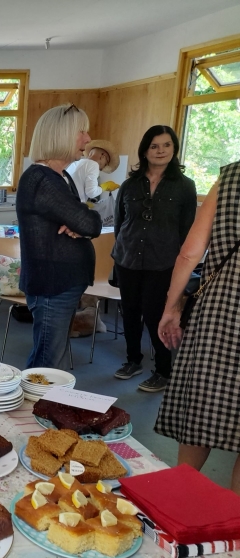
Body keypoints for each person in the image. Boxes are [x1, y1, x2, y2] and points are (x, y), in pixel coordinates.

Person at [157, 160, 240, 494]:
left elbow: (190, 254)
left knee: (202, 407)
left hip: (221, 308)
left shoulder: (232, 177)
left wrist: (171, 307)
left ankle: (176, 497)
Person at [16, 103, 103, 369]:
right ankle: (35, 409)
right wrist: (80, 224)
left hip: (62, 283)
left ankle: (46, 408)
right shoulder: (41, 179)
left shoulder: (61, 176)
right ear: (61, 135)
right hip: (52, 285)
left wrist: (80, 222)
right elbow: (90, 223)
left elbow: (84, 220)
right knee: (48, 363)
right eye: (81, 132)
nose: (87, 140)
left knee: (55, 361)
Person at [111, 125, 197, 393]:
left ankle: (163, 370)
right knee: (130, 312)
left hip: (163, 263)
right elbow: (119, 223)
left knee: (156, 315)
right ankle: (132, 360)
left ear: (174, 149)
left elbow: (187, 230)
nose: (160, 151)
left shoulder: (185, 186)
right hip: (127, 258)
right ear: (145, 151)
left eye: (166, 145)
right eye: (154, 146)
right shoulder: (129, 185)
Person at [67, 139, 121, 225]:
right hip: (74, 211)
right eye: (105, 163)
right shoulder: (93, 165)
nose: (102, 168)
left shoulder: (77, 163)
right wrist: (104, 187)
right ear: (102, 156)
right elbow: (91, 192)